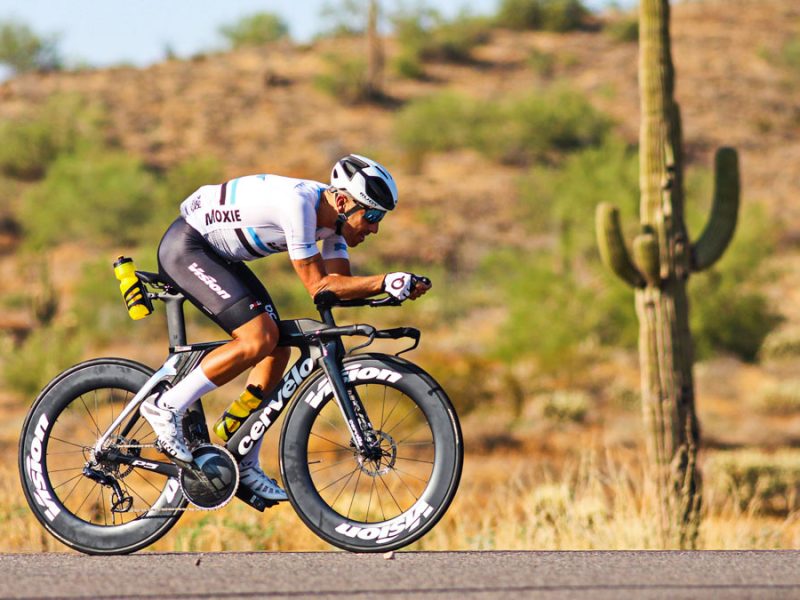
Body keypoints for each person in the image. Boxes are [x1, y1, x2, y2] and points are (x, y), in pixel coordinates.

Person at [139, 154, 431, 501]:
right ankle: (166, 406)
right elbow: (319, 287)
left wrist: (392, 290)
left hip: (218, 256)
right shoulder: (299, 206)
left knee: (277, 348)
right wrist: (384, 280)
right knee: (258, 336)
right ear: (342, 201)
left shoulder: (335, 226)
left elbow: (339, 286)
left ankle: (242, 456)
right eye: (371, 215)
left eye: (379, 218)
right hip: (188, 247)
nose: (374, 228)